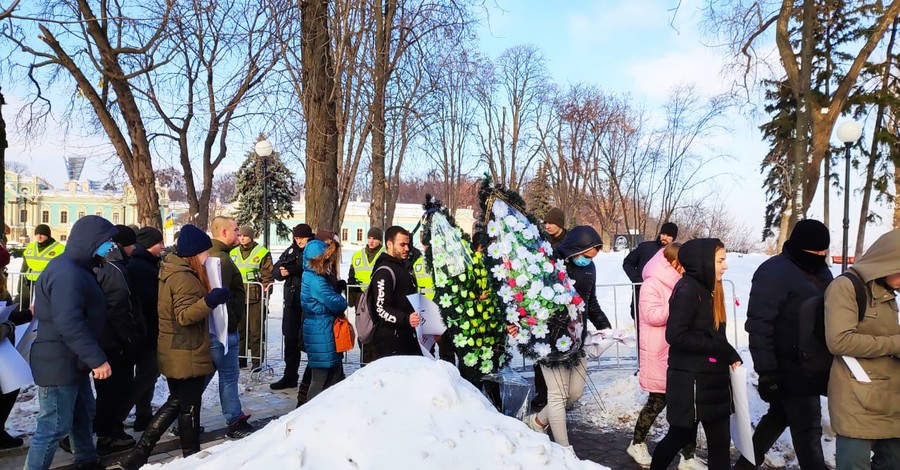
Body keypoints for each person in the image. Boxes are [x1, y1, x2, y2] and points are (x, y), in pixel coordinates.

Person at [110, 225, 230, 470]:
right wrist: (211, 299)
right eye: (205, 252)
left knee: (178, 402)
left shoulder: (173, 269)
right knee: (188, 407)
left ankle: (140, 453)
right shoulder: (183, 277)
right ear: (194, 254)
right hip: (185, 349)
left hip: (177, 347)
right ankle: (190, 456)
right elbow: (185, 316)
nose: (208, 257)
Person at [735, 220, 833, 470]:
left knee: (778, 417)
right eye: (815, 253)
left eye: (824, 252)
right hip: (787, 366)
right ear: (801, 247)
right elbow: (759, 324)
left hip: (813, 363)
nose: (821, 257)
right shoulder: (773, 272)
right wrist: (767, 371)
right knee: (808, 429)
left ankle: (743, 467)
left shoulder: (822, 271)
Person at [24, 215, 116, 470]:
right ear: (92, 242)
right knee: (53, 426)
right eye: (107, 242)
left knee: (81, 414)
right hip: (59, 362)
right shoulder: (68, 274)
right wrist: (96, 359)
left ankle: (86, 460)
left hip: (72, 362)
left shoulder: (76, 269)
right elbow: (69, 322)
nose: (111, 248)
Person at [649, 238, 740, 470]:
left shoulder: (709, 290)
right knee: (678, 436)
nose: (725, 266)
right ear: (704, 262)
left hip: (713, 382)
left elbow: (716, 335)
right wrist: (715, 348)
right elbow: (676, 335)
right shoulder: (687, 289)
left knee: (720, 445)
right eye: (720, 260)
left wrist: (731, 355)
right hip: (692, 385)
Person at [520, 225, 605, 451]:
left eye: (592, 258)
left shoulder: (590, 268)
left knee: (574, 392)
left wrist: (604, 326)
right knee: (557, 394)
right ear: (575, 249)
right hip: (550, 339)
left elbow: (590, 301)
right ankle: (564, 451)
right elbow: (530, 298)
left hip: (577, 339)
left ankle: (538, 422)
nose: (588, 261)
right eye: (585, 256)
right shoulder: (549, 263)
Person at [824, 229, 900, 469]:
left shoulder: (887, 291)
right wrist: (896, 343)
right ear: (886, 261)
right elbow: (839, 340)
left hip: (890, 399)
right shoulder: (846, 287)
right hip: (858, 398)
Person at [627, 243, 706, 470]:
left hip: (678, 351)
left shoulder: (683, 283)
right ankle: (637, 443)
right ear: (671, 262)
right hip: (659, 352)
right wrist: (679, 305)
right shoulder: (653, 283)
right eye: (680, 263)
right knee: (657, 401)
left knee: (688, 405)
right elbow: (651, 315)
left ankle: (688, 456)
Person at [91, 225, 143, 455]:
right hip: (113, 342)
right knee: (113, 390)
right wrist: (131, 340)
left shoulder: (102, 265)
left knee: (107, 391)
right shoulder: (114, 270)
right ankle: (108, 435)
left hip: (103, 339)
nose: (134, 248)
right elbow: (121, 309)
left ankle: (100, 432)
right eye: (132, 244)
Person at [207, 216, 253, 439]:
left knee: (206, 376)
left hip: (219, 329)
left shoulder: (217, 255)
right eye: (235, 230)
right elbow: (220, 295)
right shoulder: (221, 260)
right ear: (224, 233)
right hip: (223, 330)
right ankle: (235, 420)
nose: (238, 234)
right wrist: (232, 320)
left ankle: (183, 416)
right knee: (228, 375)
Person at [300, 231, 348, 402]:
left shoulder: (313, 276)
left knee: (328, 376)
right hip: (321, 329)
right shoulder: (317, 281)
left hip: (321, 327)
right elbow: (338, 303)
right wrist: (340, 297)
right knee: (320, 378)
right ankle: (310, 412)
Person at [530, 207, 569, 411]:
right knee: (541, 347)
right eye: (545, 223)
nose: (547, 226)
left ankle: (562, 392)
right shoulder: (541, 241)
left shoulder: (569, 242)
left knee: (561, 348)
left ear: (560, 223)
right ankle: (542, 392)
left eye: (551, 223)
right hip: (543, 301)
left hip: (563, 301)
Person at [126, 227, 165, 432]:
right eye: (160, 243)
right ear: (150, 244)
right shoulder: (141, 267)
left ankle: (143, 414)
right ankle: (117, 416)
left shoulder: (146, 264)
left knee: (147, 374)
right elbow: (149, 302)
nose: (163, 247)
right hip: (147, 330)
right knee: (147, 375)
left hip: (147, 329)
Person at [270, 223, 314, 390]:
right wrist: (280, 272)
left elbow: (311, 267)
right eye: (296, 237)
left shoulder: (314, 249)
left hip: (308, 303)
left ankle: (311, 379)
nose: (298, 241)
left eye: (301, 237)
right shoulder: (291, 250)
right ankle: (290, 377)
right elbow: (276, 268)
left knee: (309, 341)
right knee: (290, 340)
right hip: (291, 302)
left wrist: (293, 269)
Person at [369, 226, 421, 360]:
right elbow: (381, 308)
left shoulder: (403, 266)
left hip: (408, 335)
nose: (407, 248)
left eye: (408, 244)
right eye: (402, 245)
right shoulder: (384, 271)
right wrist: (406, 319)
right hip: (390, 341)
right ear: (389, 244)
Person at [230, 225, 274, 370]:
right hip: (238, 296)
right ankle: (240, 360)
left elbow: (267, 275)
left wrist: (266, 292)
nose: (242, 238)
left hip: (256, 297)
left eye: (245, 235)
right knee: (239, 331)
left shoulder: (261, 252)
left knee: (256, 331)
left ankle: (256, 362)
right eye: (240, 235)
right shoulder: (233, 252)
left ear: (251, 236)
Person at [0, 241, 29, 449]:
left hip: (4, 352)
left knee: (9, 389)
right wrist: (8, 327)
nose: (6, 271)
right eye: (3, 268)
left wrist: (28, 314)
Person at [623, 222, 679, 319]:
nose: (664, 237)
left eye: (669, 235)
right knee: (639, 319)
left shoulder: (676, 252)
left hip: (665, 296)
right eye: (663, 234)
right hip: (641, 292)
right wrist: (636, 279)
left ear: (673, 238)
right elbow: (628, 262)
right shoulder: (645, 247)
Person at [19, 224, 64, 312]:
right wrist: (20, 285)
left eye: (42, 234)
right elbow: (24, 267)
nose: (39, 236)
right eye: (37, 234)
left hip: (49, 283)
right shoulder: (30, 247)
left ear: (48, 235)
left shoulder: (59, 248)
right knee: (30, 308)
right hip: (30, 283)